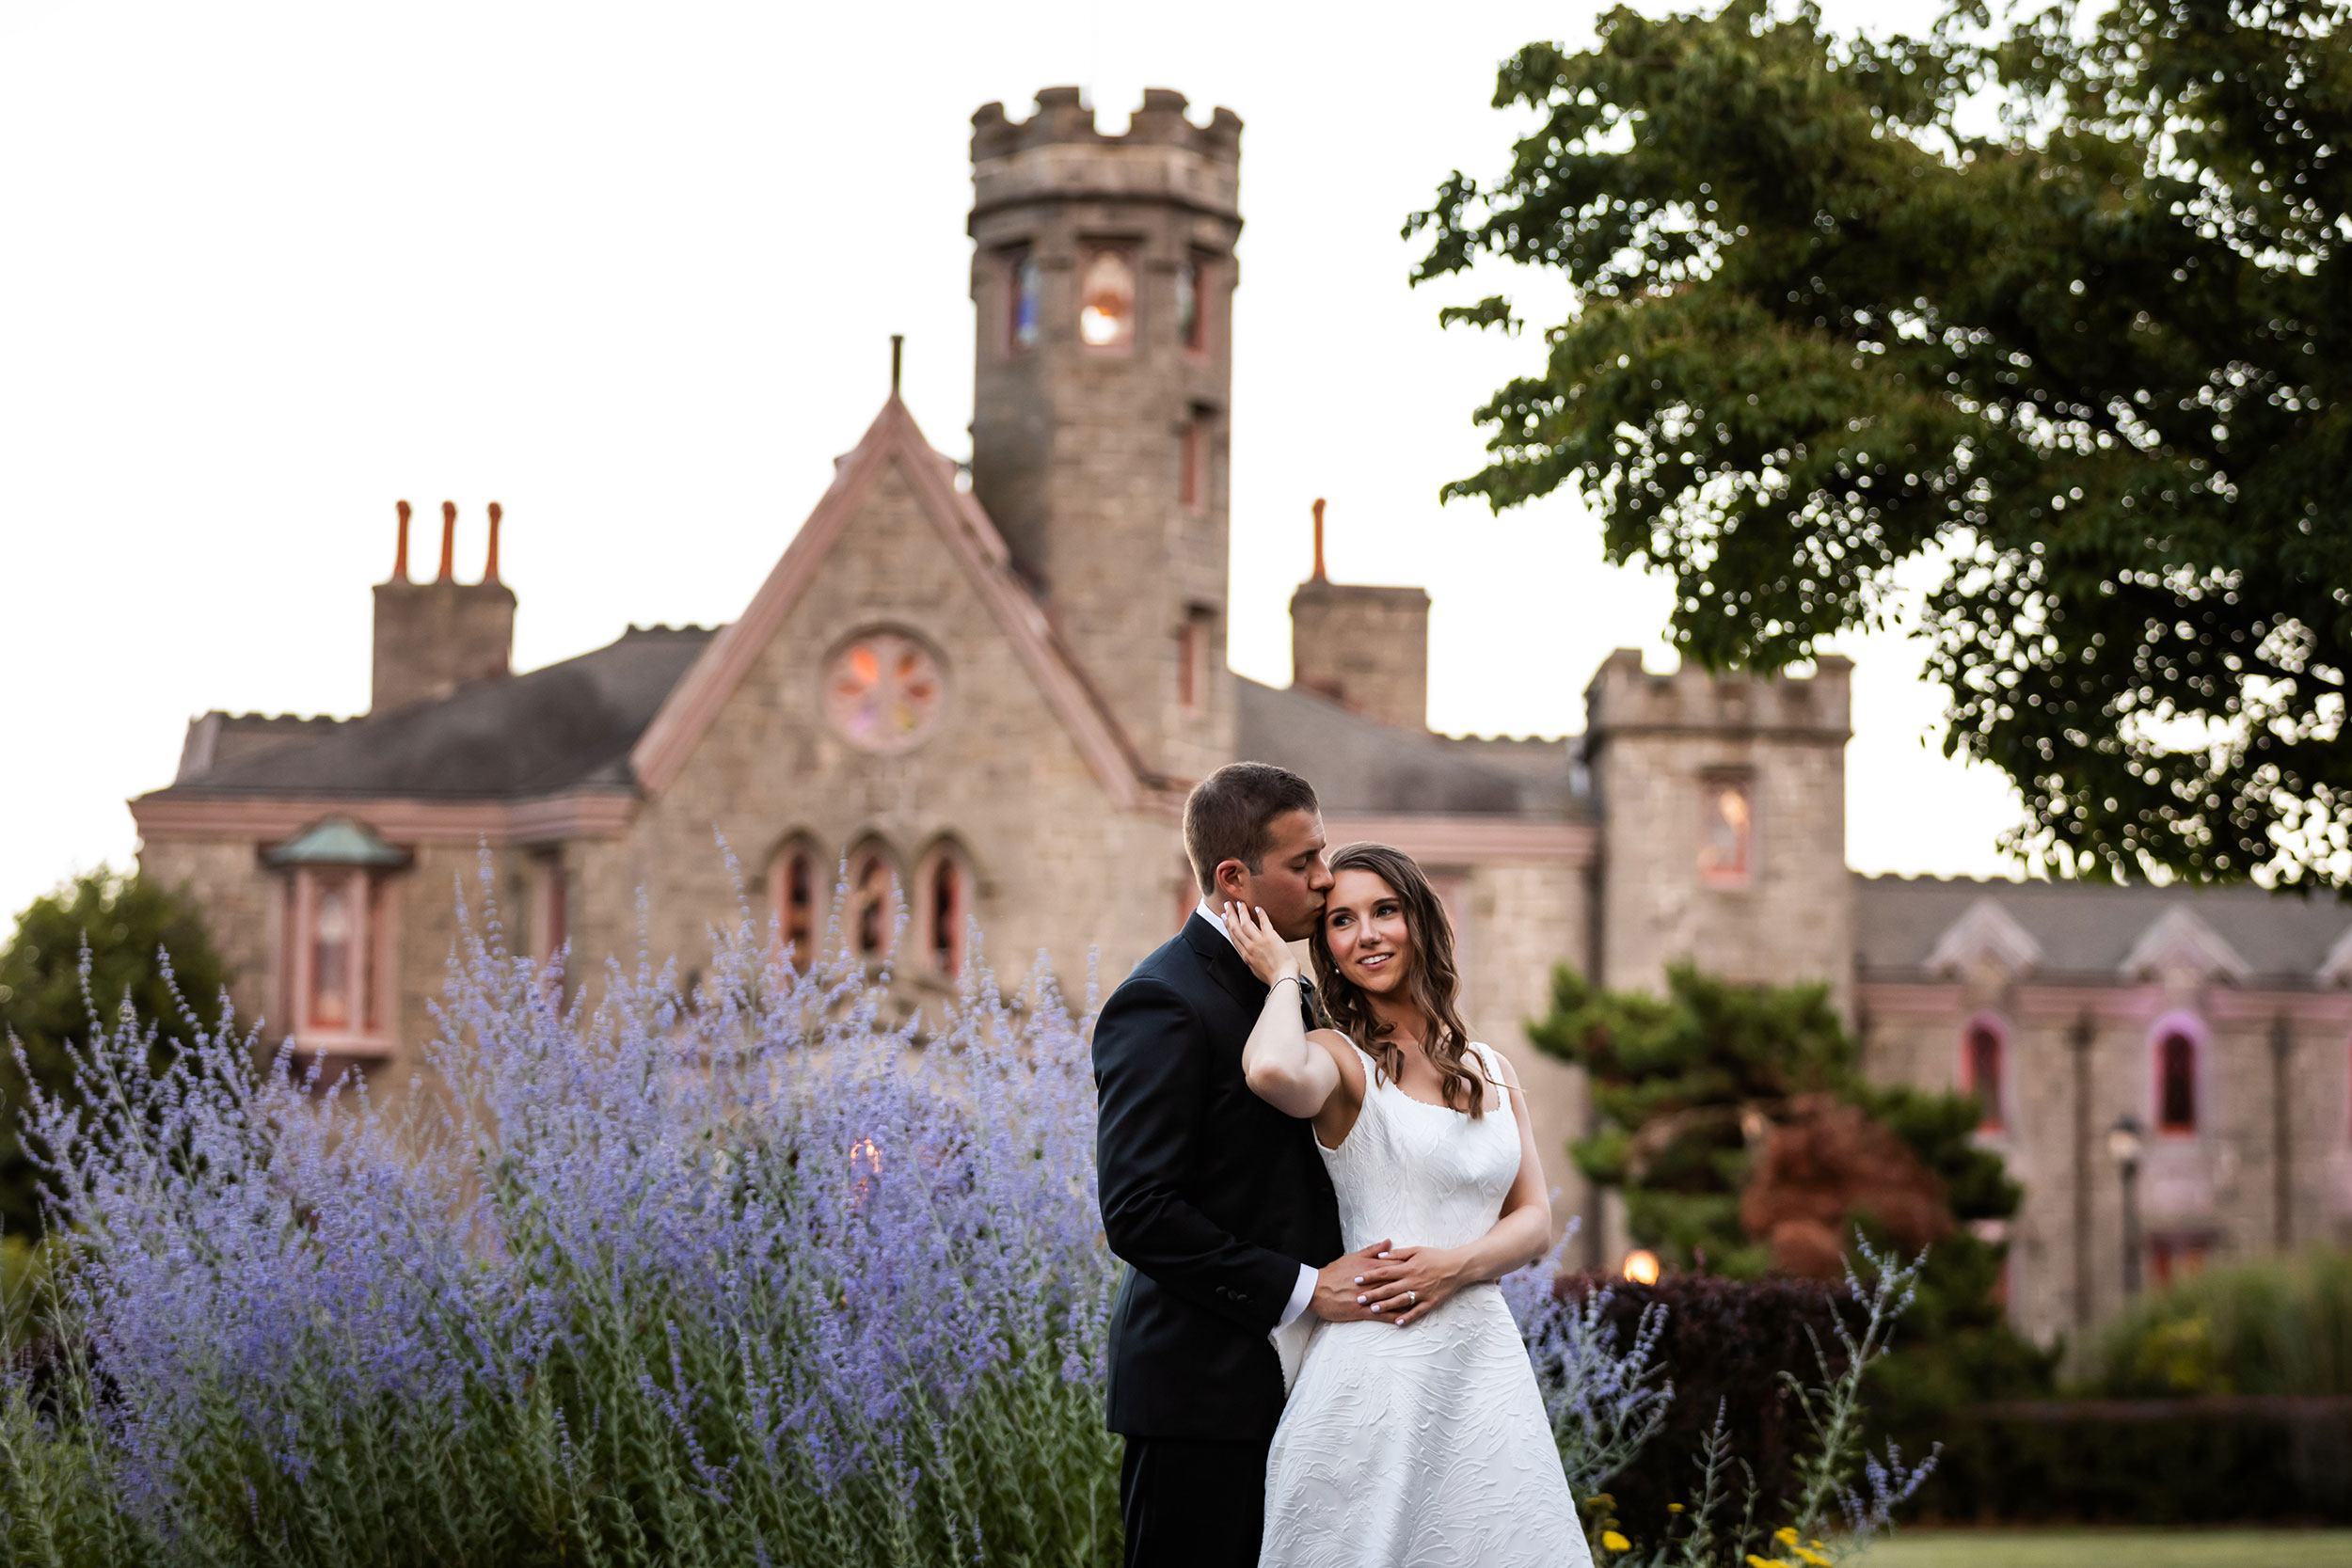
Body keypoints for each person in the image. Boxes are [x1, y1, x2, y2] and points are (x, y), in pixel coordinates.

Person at [1226, 840, 1593, 1568]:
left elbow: (1534, 1221)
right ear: (1327, 945)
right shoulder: (1337, 1057)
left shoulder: (1490, 1066)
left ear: (1420, 920)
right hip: (1377, 1370)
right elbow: (1269, 1067)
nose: (1366, 933)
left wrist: (1455, 1266)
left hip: (1483, 1371)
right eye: (1342, 920)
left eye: (1385, 911)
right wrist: (1281, 980)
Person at [1092, 763, 1393, 1568]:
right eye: (1304, 863)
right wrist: (1305, 1287)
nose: (1326, 880)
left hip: (1310, 1387)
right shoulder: (1162, 999)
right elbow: (1138, 1209)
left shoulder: (1290, 983)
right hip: (1202, 1399)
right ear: (1235, 878)